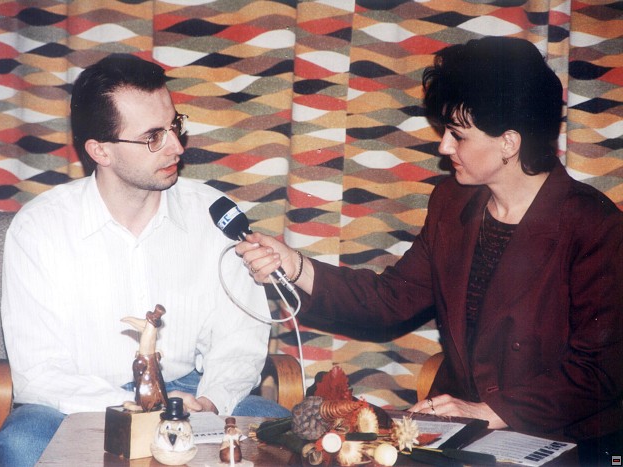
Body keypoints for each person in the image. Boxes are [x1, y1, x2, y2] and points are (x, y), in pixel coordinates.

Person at [236, 37, 623, 464]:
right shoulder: (451, 204)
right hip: (463, 434)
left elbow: (600, 371)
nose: (444, 147)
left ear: (509, 143)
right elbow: (391, 300)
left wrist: (488, 412)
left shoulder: (594, 225)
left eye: (457, 135)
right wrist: (295, 266)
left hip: (566, 440)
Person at [0, 54, 290, 467]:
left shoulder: (212, 215)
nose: (177, 147)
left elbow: (238, 339)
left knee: (280, 431)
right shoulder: (39, 228)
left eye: (175, 126)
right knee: (24, 444)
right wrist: (145, 411)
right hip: (78, 404)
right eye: (153, 137)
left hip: (190, 393)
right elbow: (39, 372)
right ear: (101, 151)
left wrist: (210, 401)